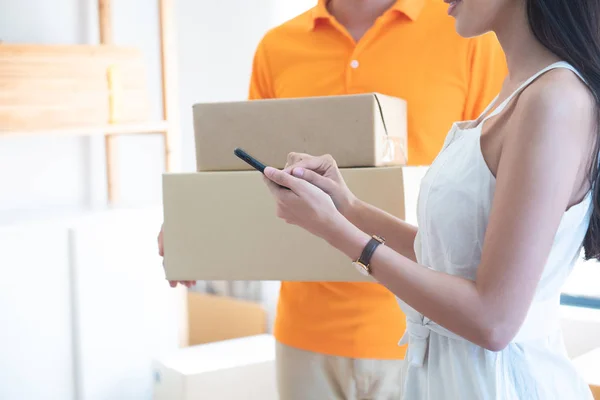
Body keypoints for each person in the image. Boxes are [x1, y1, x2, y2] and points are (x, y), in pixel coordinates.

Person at [157, 0, 507, 398]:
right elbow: (255, 174)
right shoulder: (278, 46)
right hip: (306, 334)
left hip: (424, 331)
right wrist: (193, 222)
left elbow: (491, 185)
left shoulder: (466, 31)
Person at [262, 0, 600, 398]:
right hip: (450, 376)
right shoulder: (515, 91)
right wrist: (347, 208)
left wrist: (339, 233)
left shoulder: (554, 99)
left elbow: (494, 321)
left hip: (497, 384)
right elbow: (447, 255)